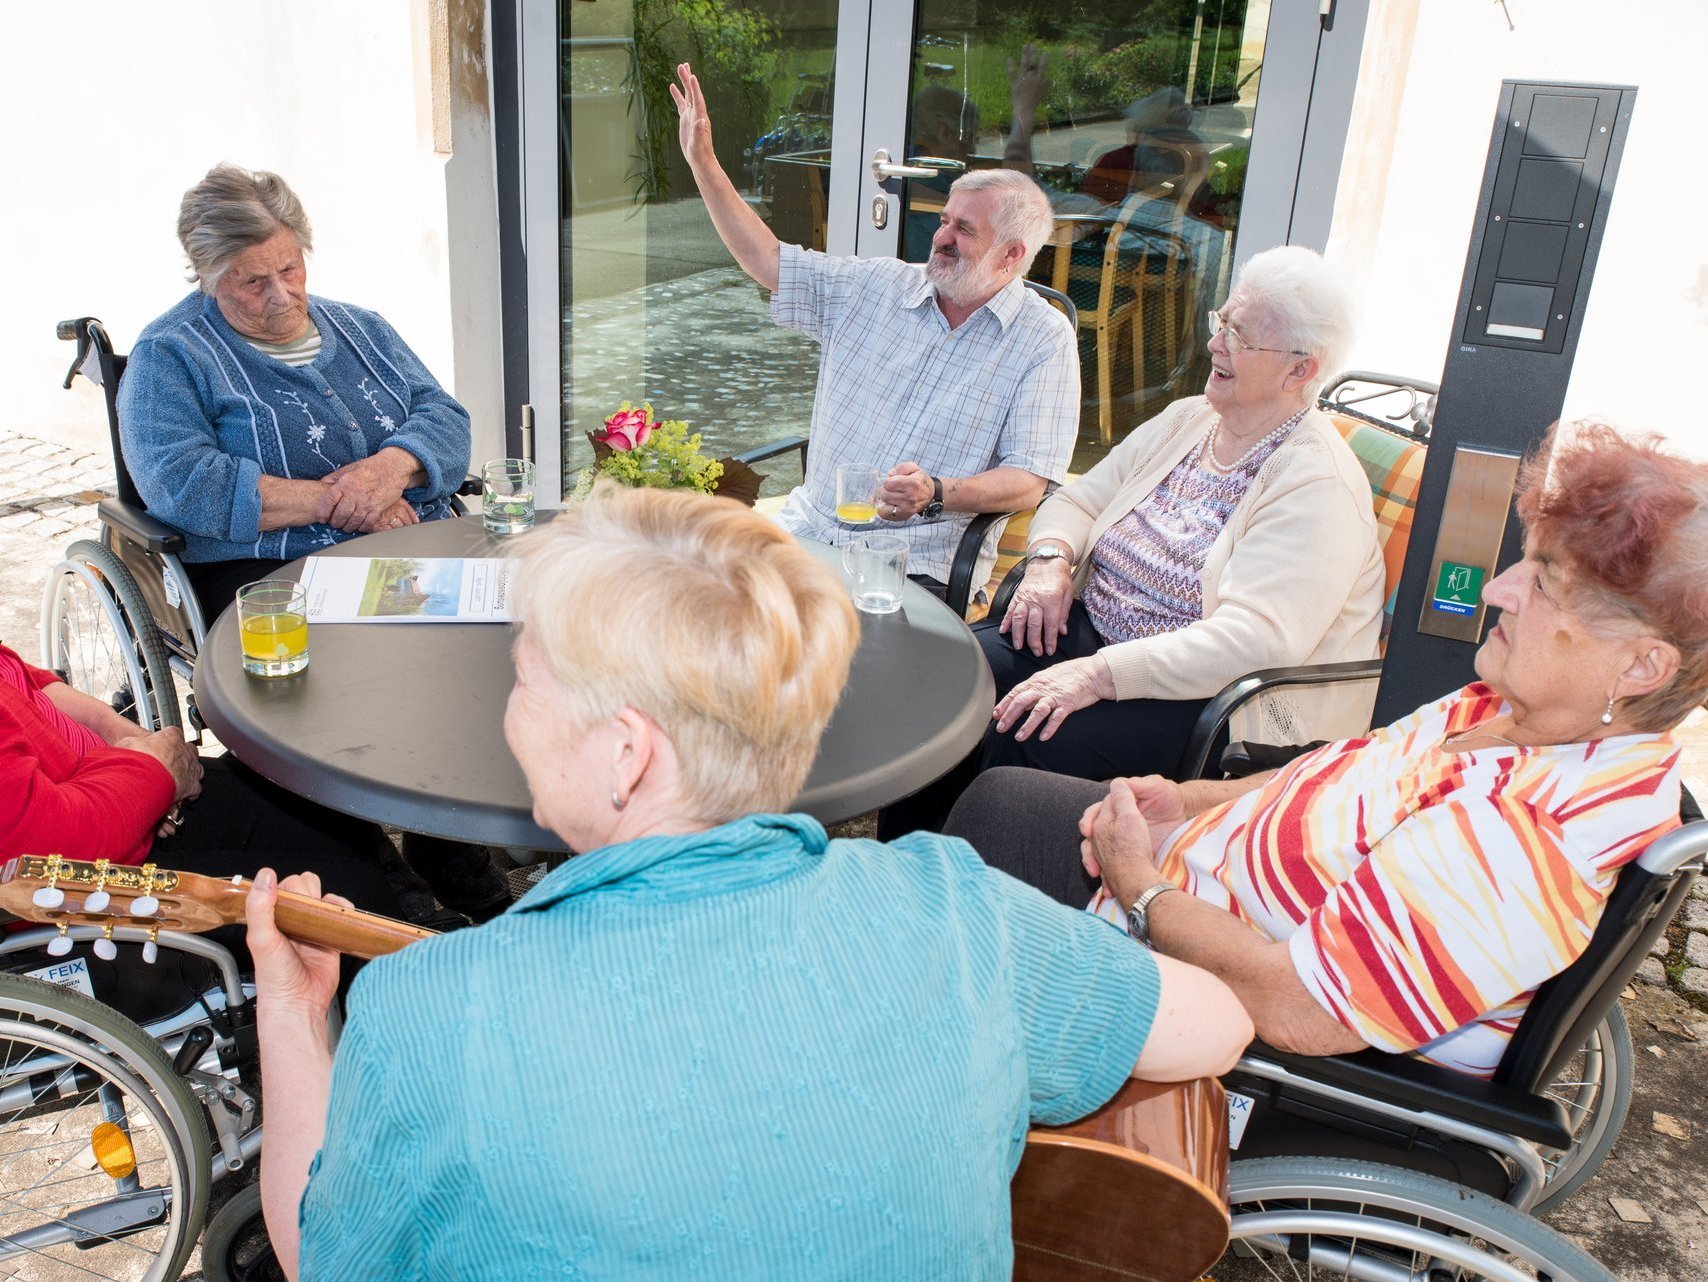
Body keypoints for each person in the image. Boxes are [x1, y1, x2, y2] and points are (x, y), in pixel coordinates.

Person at [246, 486, 1252, 1280]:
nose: (508, 712)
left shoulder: (437, 1007)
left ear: (627, 753)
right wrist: (1141, 886)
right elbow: (1216, 1026)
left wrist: (292, 1013)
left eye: (523, 680)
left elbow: (320, 1253)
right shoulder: (959, 910)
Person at [945, 421, 1707, 1078]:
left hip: (1188, 981)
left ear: (1642, 666)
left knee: (933, 921)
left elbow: (1299, 1007)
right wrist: (1187, 801)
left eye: (1545, 586)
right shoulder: (1518, 708)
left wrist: (1138, 883)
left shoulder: (1518, 838)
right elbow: (1348, 771)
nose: (1498, 589)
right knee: (996, 801)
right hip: (1195, 879)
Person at [878, 245, 1382, 836]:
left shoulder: (1316, 482)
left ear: (1301, 370)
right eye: (1224, 322)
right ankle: (906, 863)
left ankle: (989, 888)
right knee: (947, 678)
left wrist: (1096, 675)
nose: (1217, 343)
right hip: (1098, 632)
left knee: (1027, 734)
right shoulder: (1190, 419)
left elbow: (1255, 641)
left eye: (1241, 337)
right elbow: (1076, 500)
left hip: (1208, 700)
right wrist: (1048, 562)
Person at [672, 63, 1079, 597]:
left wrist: (936, 492)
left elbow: (1031, 476)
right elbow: (769, 261)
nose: (941, 236)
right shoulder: (877, 286)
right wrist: (702, 162)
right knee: (682, 606)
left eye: (964, 229)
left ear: (1012, 254)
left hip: (910, 560)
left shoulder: (1041, 340)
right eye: (944, 219)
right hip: (807, 533)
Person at [118, 163, 472, 620]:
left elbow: (443, 414)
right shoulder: (168, 354)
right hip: (269, 569)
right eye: (254, 282)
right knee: (405, 644)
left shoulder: (360, 326)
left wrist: (393, 469)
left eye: (289, 268)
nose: (282, 295)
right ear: (208, 277)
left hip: (414, 540)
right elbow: (181, 483)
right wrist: (341, 503)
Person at [0, 641, 397, 922]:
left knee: (319, 804)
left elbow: (24, 678)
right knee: (353, 902)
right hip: (81, 882)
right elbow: (43, 854)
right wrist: (155, 770)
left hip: (111, 789)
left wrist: (130, 740)